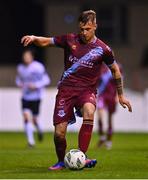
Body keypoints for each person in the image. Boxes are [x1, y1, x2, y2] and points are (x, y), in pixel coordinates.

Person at [21, 10, 132, 170]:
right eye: (81, 29)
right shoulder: (69, 39)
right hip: (66, 91)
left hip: (87, 91)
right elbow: (47, 42)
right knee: (59, 133)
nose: (83, 32)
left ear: (95, 26)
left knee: (89, 110)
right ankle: (60, 161)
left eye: (87, 29)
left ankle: (82, 156)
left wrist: (121, 95)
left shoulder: (103, 49)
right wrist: (34, 38)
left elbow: (115, 70)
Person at [16, 49, 51, 147]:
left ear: (32, 57)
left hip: (36, 97)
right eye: (24, 56)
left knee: (35, 119)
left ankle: (39, 130)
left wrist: (36, 85)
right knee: (26, 117)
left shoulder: (38, 67)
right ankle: (31, 142)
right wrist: (19, 84)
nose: (25, 58)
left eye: (27, 56)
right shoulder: (20, 68)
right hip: (25, 96)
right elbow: (18, 80)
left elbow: (47, 80)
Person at [96, 63, 122, 149]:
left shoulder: (117, 67)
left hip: (112, 95)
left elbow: (120, 80)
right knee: (99, 116)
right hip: (102, 95)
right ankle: (102, 137)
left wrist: (119, 95)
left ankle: (109, 141)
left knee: (110, 119)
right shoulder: (100, 68)